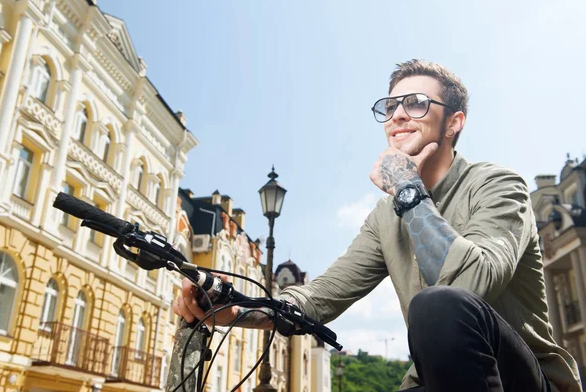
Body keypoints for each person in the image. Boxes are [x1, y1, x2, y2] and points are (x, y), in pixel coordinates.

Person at [173, 59, 582, 392]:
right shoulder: (385, 217)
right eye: (390, 107)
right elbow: (319, 297)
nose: (398, 114)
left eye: (417, 103)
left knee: (437, 305)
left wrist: (407, 188)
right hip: (432, 381)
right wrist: (234, 309)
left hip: (526, 380)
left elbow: (468, 286)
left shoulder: (497, 184)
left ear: (454, 123)